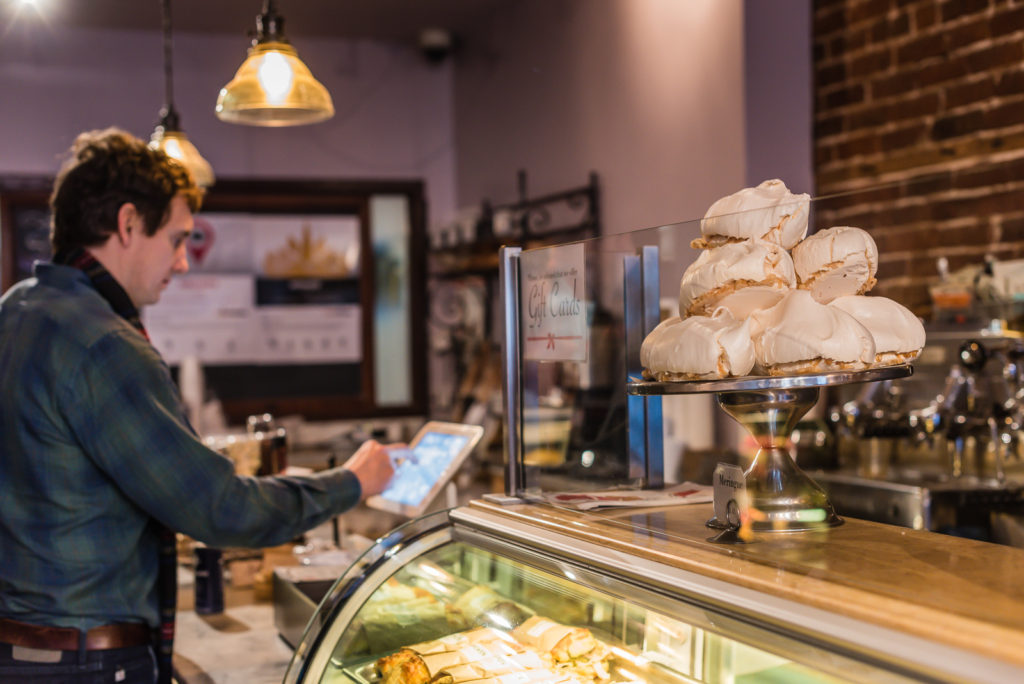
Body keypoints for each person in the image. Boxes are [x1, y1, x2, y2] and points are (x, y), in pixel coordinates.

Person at [0, 128, 396, 683]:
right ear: (129, 224)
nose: (183, 263)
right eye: (177, 239)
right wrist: (350, 482)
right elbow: (218, 509)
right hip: (84, 663)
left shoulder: (16, 310)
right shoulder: (106, 345)